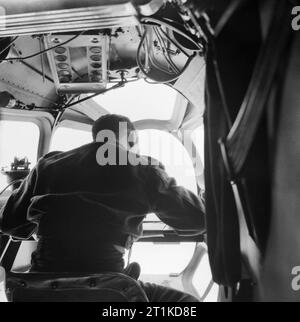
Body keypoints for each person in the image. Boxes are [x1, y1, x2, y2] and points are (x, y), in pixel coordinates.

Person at [0, 114, 206, 302]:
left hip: (37, 288)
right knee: (187, 304)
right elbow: (197, 219)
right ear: (132, 139)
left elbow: (10, 225)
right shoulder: (142, 166)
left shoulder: (47, 164)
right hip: (107, 288)